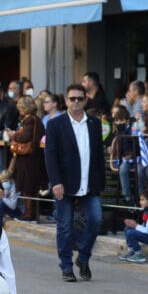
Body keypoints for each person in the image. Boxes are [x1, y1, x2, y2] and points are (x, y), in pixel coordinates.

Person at [45, 84, 105, 282]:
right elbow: (51, 155)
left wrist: (101, 182)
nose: (76, 102)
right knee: (64, 226)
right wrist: (56, 182)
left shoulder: (95, 123)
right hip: (64, 183)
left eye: (80, 99)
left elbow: (99, 155)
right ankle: (67, 267)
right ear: (66, 101)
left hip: (90, 183)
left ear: (86, 100)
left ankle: (84, 258)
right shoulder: (55, 124)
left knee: (96, 220)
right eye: (73, 99)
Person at [7, 96, 46, 221]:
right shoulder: (35, 119)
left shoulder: (31, 120)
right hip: (31, 158)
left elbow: (25, 137)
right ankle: (29, 213)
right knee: (28, 186)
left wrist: (14, 135)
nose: (20, 111)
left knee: (28, 187)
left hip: (29, 159)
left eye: (21, 108)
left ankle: (30, 214)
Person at [121, 189, 148, 263]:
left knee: (130, 232)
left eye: (142, 200)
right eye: (140, 200)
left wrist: (135, 225)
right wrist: (133, 225)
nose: (140, 202)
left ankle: (138, 253)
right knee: (127, 228)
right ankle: (132, 251)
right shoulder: (147, 210)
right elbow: (144, 227)